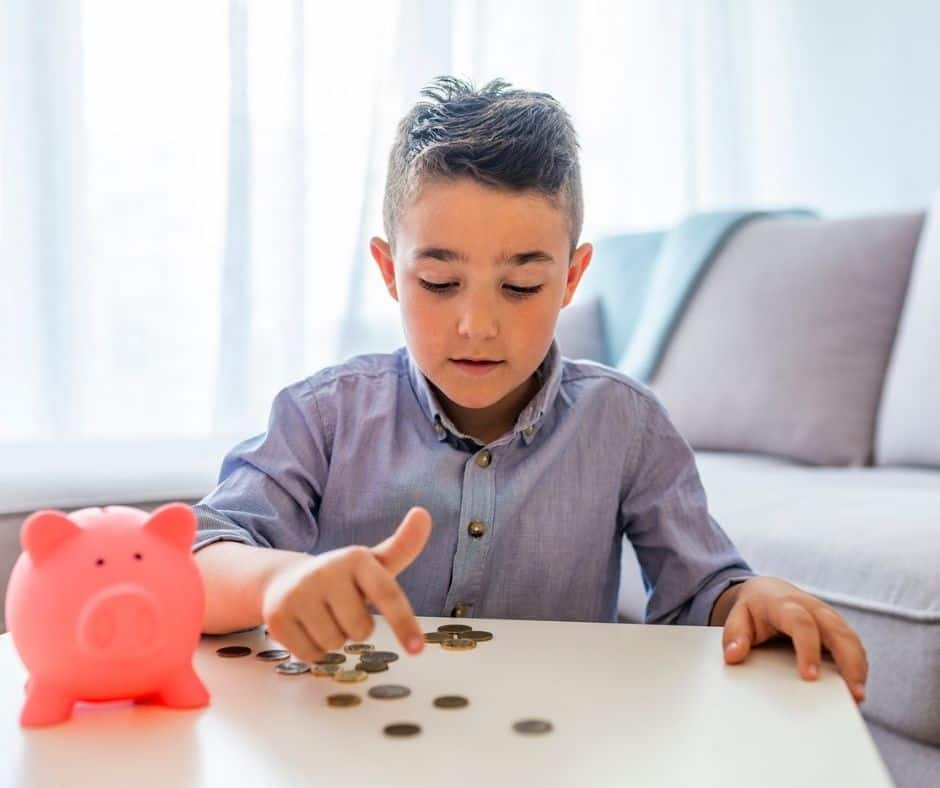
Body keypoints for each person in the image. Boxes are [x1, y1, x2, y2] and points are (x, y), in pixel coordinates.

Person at [192, 76, 868, 704]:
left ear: (572, 280)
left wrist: (748, 598)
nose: (478, 326)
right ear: (389, 270)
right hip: (352, 737)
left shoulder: (626, 425)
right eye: (438, 282)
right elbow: (195, 562)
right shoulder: (324, 417)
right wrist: (276, 578)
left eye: (520, 287)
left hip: (554, 740)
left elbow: (702, 589)